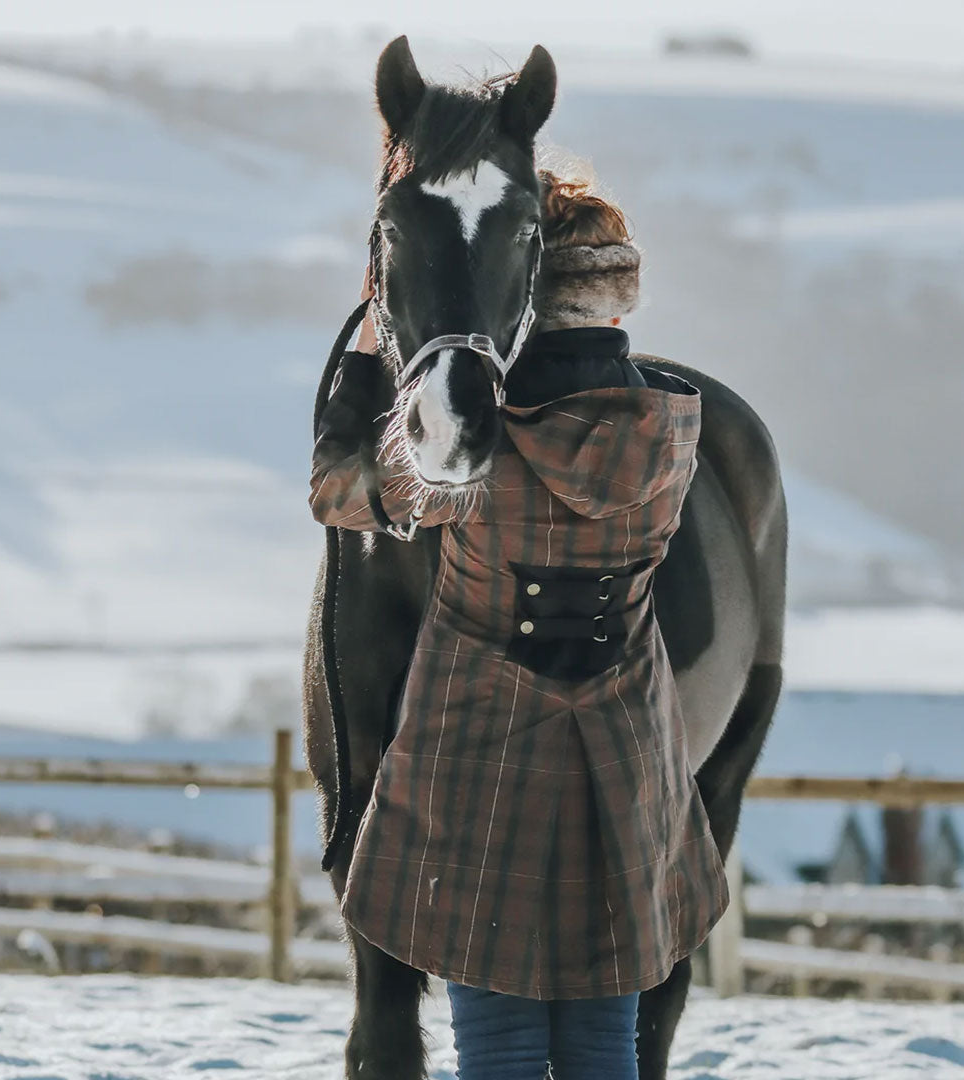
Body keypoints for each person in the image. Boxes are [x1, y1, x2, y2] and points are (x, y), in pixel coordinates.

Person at [309, 169, 729, 1080]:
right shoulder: (675, 430)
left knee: (495, 1046)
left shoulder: (473, 452)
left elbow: (339, 492)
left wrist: (365, 365)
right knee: (603, 1045)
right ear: (618, 302)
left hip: (478, 766)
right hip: (627, 764)